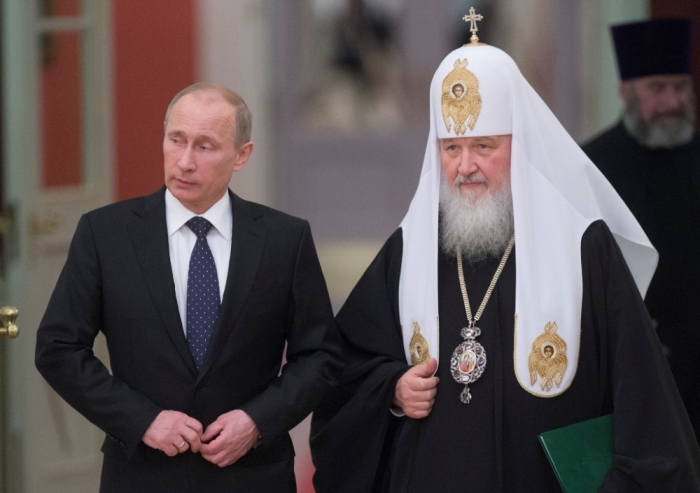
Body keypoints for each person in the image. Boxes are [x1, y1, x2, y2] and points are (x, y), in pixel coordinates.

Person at [310, 17, 700, 493]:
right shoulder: (410, 248)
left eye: (484, 146)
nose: (465, 166)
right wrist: (392, 388)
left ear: (519, 145)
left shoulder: (584, 247)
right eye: (451, 148)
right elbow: (345, 366)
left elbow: (646, 406)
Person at [35, 83, 343, 493]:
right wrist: (142, 420)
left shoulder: (285, 240)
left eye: (205, 147)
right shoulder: (104, 234)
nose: (184, 161)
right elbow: (58, 347)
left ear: (241, 155)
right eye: (175, 140)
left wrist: (256, 422)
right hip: (142, 476)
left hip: (253, 476)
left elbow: (321, 356)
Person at [582, 18, 700, 439]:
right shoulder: (590, 167)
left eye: (680, 87)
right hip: (627, 367)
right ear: (625, 93)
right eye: (657, 89)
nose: (672, 101)